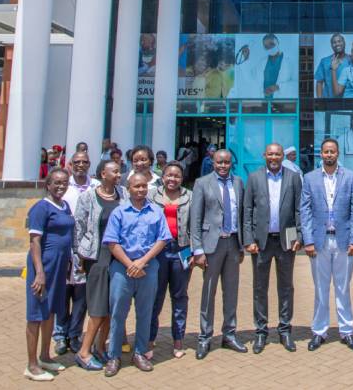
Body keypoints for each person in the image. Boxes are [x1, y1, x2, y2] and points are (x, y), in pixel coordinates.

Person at [100, 171, 172, 376]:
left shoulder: (156, 211)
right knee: (117, 314)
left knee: (145, 312)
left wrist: (142, 262)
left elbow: (163, 238)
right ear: (128, 188)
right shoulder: (119, 212)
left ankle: (140, 352)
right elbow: (112, 242)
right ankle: (113, 355)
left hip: (148, 268)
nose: (140, 190)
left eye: (143, 186)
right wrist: (130, 263)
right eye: (136, 186)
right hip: (122, 269)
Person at [298, 138, 353, 352]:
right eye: (325, 151)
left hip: (344, 241)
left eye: (332, 151)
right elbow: (305, 211)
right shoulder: (310, 178)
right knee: (321, 288)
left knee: (343, 288)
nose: (328, 155)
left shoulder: (351, 177)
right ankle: (319, 331)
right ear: (320, 154)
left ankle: (347, 331)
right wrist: (307, 240)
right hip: (319, 242)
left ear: (338, 154)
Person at [242, 143, 304, 353]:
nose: (274, 157)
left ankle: (285, 330)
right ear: (264, 155)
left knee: (286, 287)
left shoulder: (293, 176)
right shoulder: (254, 178)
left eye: (277, 154)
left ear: (282, 156)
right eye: (270, 154)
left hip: (286, 240)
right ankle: (261, 331)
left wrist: (300, 236)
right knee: (260, 288)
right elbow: (247, 210)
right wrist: (249, 239)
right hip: (261, 243)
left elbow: (299, 209)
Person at [189, 149, 248, 359]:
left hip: (232, 243)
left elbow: (242, 215)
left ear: (232, 163)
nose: (223, 166)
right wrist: (197, 249)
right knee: (208, 293)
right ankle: (205, 337)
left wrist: (243, 245)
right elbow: (195, 219)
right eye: (219, 162)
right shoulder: (202, 183)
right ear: (212, 162)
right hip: (211, 246)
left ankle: (229, 334)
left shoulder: (239, 182)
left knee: (231, 291)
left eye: (227, 162)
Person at [71, 160, 128, 372]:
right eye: (114, 171)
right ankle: (83, 352)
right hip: (97, 257)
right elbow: (78, 228)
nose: (118, 174)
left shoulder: (123, 194)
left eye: (119, 171)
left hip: (118, 256)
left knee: (110, 307)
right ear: (103, 173)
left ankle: (100, 347)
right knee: (97, 308)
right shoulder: (88, 197)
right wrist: (79, 258)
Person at [24, 169, 75, 381]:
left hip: (60, 266)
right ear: (48, 184)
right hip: (44, 265)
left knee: (51, 311)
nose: (61, 186)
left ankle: (45, 356)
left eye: (64, 182)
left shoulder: (64, 206)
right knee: (36, 314)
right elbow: (35, 241)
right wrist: (39, 273)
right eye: (56, 182)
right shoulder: (40, 208)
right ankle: (32, 364)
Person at [54, 151, 98, 355]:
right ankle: (60, 334)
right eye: (77, 162)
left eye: (85, 162)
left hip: (87, 249)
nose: (81, 165)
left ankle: (74, 334)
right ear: (70, 164)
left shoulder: (95, 186)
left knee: (82, 296)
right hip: (65, 248)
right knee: (63, 294)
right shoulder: (63, 187)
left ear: (90, 164)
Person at [149, 161, 193, 360]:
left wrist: (194, 251)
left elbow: (196, 224)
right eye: (169, 175)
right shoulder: (152, 196)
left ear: (182, 179)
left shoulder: (189, 196)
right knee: (155, 297)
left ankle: (178, 339)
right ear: (163, 176)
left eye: (176, 176)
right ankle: (149, 339)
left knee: (179, 295)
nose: (172, 179)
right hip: (158, 251)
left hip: (181, 250)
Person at [314, 32, 350, 98]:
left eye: (339, 41)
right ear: (331, 45)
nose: (337, 44)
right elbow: (319, 82)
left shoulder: (352, 60)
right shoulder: (324, 61)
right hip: (328, 102)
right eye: (334, 42)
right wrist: (319, 101)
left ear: (344, 42)